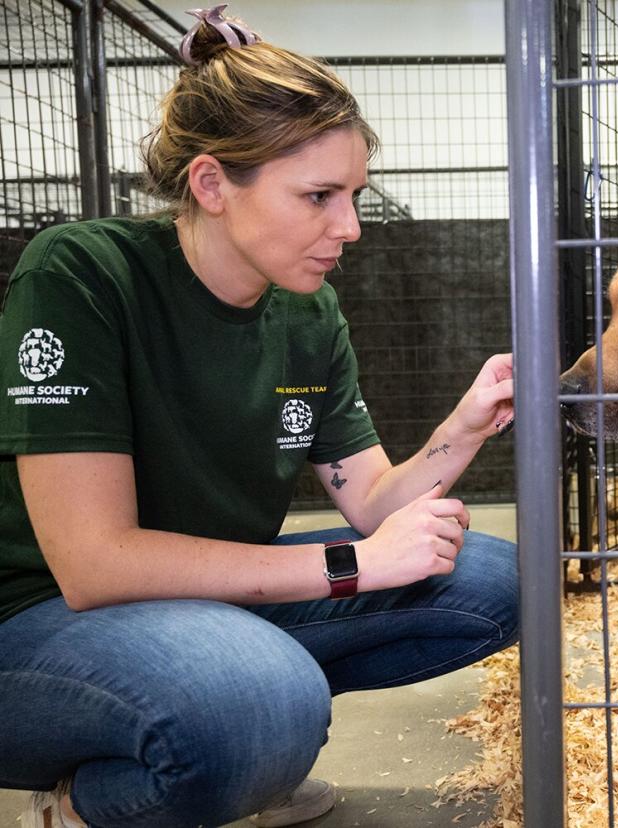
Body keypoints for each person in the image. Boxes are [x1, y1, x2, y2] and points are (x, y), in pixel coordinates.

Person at [0, 7, 519, 827]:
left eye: (351, 196)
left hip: (207, 596)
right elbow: (95, 566)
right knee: (258, 709)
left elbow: (376, 506)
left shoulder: (308, 314)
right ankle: (100, 795)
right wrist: (351, 569)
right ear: (212, 184)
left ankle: (240, 713)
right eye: (318, 196)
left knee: (493, 580)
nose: (347, 228)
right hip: (42, 620)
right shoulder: (81, 274)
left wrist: (466, 424)